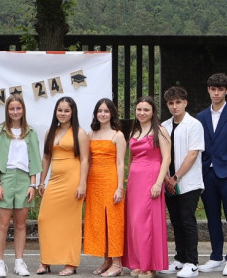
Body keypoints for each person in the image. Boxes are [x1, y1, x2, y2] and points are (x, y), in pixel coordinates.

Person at [195, 73, 227, 276]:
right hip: (208, 173)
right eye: (213, 89)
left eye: (220, 89)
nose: (216, 93)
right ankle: (216, 256)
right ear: (208, 90)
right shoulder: (201, 117)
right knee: (212, 217)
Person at [0, 94, 41, 278]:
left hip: (24, 179)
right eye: (12, 109)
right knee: (2, 224)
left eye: (18, 108)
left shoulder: (31, 132)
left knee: (20, 224)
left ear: (23, 110)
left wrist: (33, 185)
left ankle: (19, 262)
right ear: (7, 110)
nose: (15, 111)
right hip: (5, 177)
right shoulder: (0, 131)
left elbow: (34, 159)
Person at [37, 96, 90, 276]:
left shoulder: (80, 133)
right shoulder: (50, 132)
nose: (63, 113)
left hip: (73, 180)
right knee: (44, 218)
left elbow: (85, 159)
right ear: (56, 112)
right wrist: (41, 180)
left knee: (70, 223)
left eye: (67, 110)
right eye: (60, 110)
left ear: (73, 112)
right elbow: (46, 157)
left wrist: (82, 183)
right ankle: (46, 260)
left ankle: (70, 263)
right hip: (54, 180)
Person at [124, 97, 171, 278]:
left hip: (151, 178)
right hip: (135, 181)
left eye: (146, 110)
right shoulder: (134, 131)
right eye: (139, 109)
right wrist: (128, 180)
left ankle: (149, 266)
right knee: (135, 222)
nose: (142, 113)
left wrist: (159, 183)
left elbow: (166, 158)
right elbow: (130, 158)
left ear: (153, 112)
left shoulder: (160, 131)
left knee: (147, 223)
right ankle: (137, 262)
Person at [159, 86, 204, 278]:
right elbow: (163, 155)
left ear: (185, 102)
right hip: (169, 183)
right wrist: (167, 179)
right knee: (176, 222)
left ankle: (192, 262)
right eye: (171, 103)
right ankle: (179, 259)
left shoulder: (194, 125)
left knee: (187, 221)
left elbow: (193, 154)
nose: (175, 106)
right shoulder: (164, 126)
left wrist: (176, 176)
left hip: (188, 183)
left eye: (178, 102)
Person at [85, 98, 126, 276]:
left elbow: (120, 163)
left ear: (112, 114)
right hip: (94, 182)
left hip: (110, 180)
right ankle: (106, 260)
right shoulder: (90, 134)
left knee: (113, 220)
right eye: (100, 111)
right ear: (96, 114)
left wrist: (119, 187)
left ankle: (117, 263)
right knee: (99, 221)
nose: (102, 114)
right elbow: (87, 160)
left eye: (106, 111)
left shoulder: (118, 135)